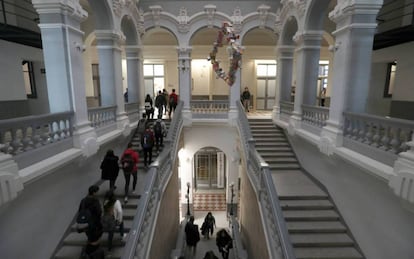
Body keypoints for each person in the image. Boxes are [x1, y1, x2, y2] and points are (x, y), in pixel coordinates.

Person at [78, 185, 103, 258]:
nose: (98, 193)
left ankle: (88, 250)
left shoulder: (83, 200)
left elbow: (80, 211)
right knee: (95, 238)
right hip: (95, 224)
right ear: (94, 193)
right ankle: (93, 251)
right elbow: (99, 212)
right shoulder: (95, 201)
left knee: (90, 236)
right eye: (97, 192)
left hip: (86, 224)